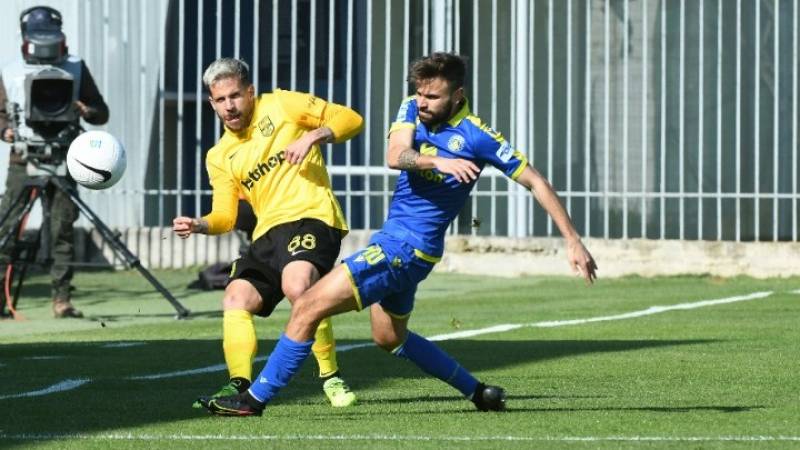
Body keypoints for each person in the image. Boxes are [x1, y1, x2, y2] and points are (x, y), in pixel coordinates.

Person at [199, 52, 598, 416]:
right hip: (398, 244)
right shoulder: (411, 107)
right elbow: (395, 155)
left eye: (433, 97)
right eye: (420, 93)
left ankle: (254, 399)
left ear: (458, 95)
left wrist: (573, 240)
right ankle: (478, 392)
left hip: (405, 249)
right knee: (389, 337)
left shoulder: (477, 136)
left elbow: (535, 181)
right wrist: (437, 162)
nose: (422, 102)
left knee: (307, 305)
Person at [172, 58, 363, 408]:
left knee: (297, 285)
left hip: (312, 216)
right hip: (267, 234)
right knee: (236, 297)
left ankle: (330, 376)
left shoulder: (282, 105)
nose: (229, 106)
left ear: (250, 92)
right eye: (220, 100)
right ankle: (238, 386)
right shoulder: (219, 155)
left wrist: (313, 136)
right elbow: (226, 216)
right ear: (212, 103)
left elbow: (351, 119)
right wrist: (199, 224)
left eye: (235, 96)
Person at [0, 6, 109, 318]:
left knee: (62, 227)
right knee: (7, 226)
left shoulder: (75, 67)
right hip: (24, 158)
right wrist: (5, 130)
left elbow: (101, 111)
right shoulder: (10, 71)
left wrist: (86, 110)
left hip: (65, 155)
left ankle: (62, 300)